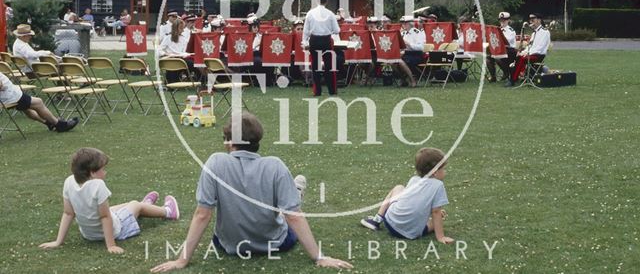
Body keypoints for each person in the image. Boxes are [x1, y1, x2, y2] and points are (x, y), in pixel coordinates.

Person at [150, 112, 353, 272]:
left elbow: (203, 214)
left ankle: (293, 192)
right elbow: (295, 217)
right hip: (275, 243)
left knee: (283, 211)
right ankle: (295, 191)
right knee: (286, 210)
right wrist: (319, 256)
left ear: (230, 141)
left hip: (229, 245)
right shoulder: (275, 165)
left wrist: (182, 259)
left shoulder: (216, 162)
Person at [40, 148, 179, 254]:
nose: (105, 172)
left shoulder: (69, 181)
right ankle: (167, 212)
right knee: (135, 205)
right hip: (115, 230)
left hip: (89, 234)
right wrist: (111, 245)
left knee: (119, 207)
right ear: (92, 173)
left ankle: (146, 206)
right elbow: (105, 217)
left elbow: (68, 213)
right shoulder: (98, 185)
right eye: (103, 169)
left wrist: (58, 242)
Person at [360, 148, 453, 244]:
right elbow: (436, 212)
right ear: (435, 172)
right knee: (437, 219)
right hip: (410, 233)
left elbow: (412, 202)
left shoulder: (414, 180)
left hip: (390, 222)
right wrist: (441, 237)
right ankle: (424, 229)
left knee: (398, 188)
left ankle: (377, 220)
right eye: (443, 169)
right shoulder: (438, 185)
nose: (445, 172)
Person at [0, 72, 78, 132]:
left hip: (8, 97)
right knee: (38, 102)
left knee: (26, 108)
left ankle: (48, 123)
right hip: (11, 97)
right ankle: (59, 125)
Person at [302, 0, 340, 96]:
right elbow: (337, 30)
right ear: (326, 1)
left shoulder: (310, 13)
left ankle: (317, 91)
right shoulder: (330, 14)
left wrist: (304, 42)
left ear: (317, 1)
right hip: (326, 40)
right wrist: (329, 30)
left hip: (314, 40)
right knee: (329, 66)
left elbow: (306, 30)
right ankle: (331, 90)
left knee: (315, 66)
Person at [505, 13, 551, 87]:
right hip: (532, 53)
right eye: (530, 20)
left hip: (538, 55)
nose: (531, 21)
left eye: (533, 19)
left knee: (521, 58)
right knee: (516, 55)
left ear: (539, 20)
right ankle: (518, 75)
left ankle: (513, 80)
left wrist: (526, 54)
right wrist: (522, 52)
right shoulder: (533, 33)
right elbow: (530, 46)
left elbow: (539, 48)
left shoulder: (545, 32)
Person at [487, 12, 517, 82]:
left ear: (508, 20)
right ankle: (493, 77)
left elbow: (507, 42)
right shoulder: (497, 30)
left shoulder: (511, 31)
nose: (502, 22)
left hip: (510, 51)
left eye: (504, 20)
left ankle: (506, 73)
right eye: (500, 20)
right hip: (499, 50)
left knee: (498, 57)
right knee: (488, 59)